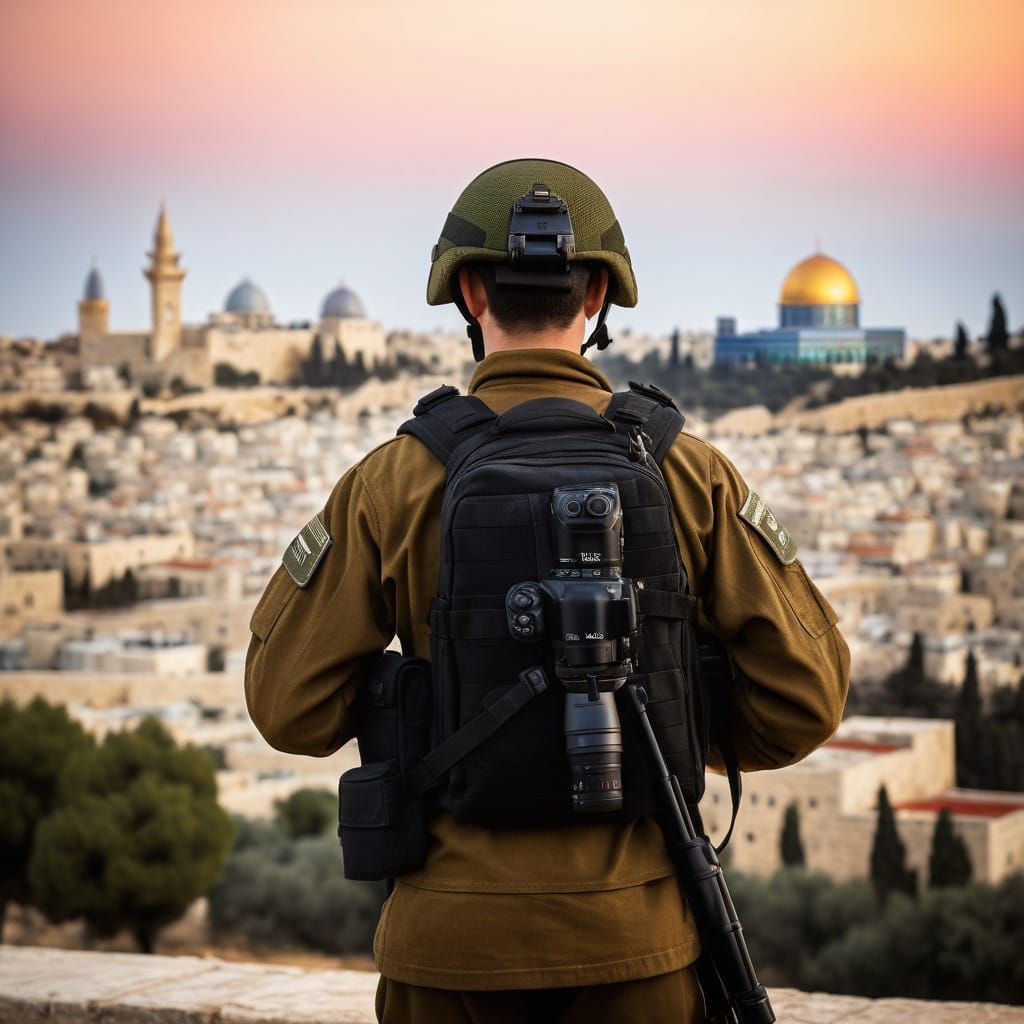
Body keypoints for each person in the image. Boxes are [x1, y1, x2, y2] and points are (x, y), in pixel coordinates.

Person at [244, 158, 850, 1023]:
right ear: (600, 292)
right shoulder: (690, 471)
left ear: (466, 293)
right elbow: (805, 701)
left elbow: (287, 708)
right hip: (639, 947)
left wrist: (418, 702)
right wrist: (663, 708)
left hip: (446, 956)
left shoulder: (393, 481)